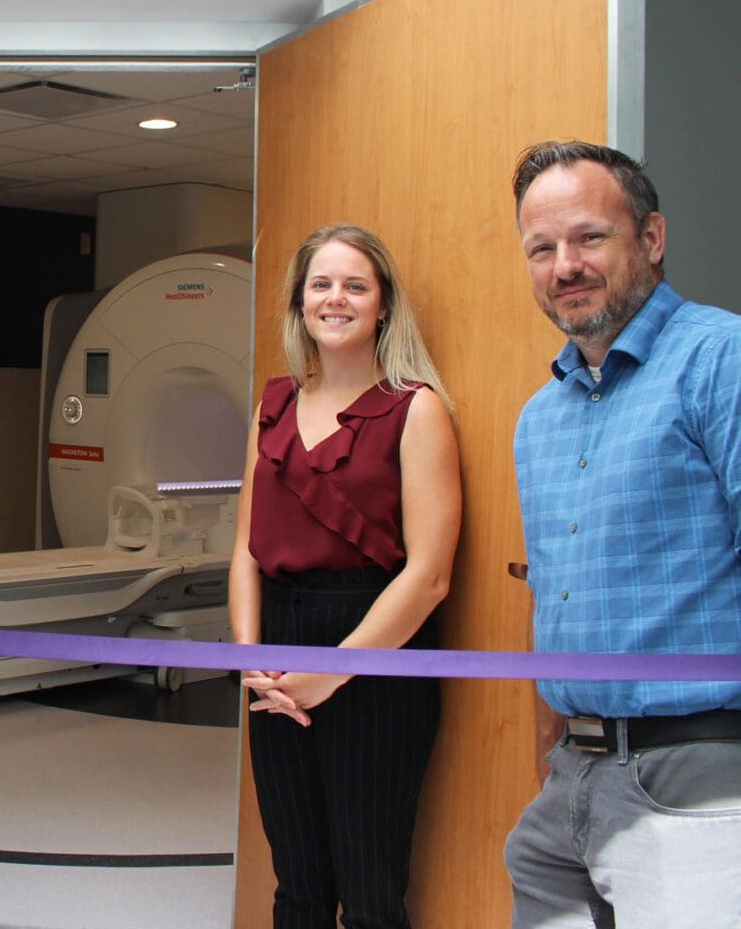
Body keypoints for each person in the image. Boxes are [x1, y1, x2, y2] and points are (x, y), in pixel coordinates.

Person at [503, 140, 741, 925]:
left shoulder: (722, 361)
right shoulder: (540, 419)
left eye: (589, 237)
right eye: (542, 248)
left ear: (652, 238)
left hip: (700, 774)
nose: (565, 265)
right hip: (571, 780)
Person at [228, 223, 460, 928]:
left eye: (355, 285)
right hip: (276, 649)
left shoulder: (415, 409)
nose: (336, 299)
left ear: (383, 304)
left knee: (369, 890)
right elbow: (245, 549)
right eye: (320, 285)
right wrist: (251, 658)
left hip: (378, 650)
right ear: (300, 303)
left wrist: (334, 670)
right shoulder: (272, 404)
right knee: (296, 881)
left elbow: (428, 577)